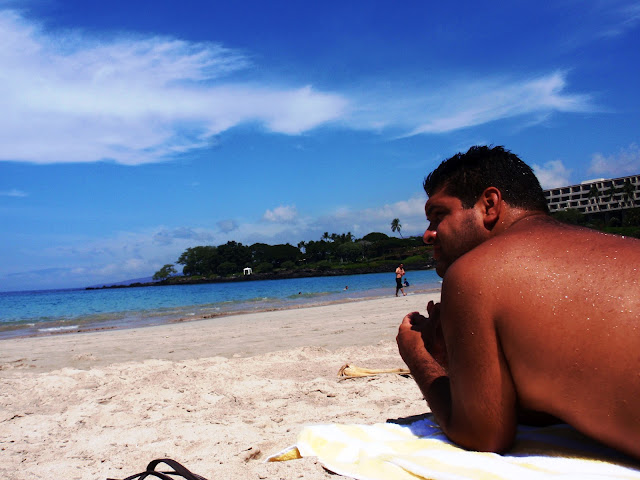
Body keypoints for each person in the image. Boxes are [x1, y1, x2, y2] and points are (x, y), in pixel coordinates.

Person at [396, 145, 640, 460]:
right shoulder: (614, 249)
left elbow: (483, 435)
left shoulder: (474, 274)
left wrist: (417, 353)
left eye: (438, 216)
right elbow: (563, 399)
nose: (428, 235)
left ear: (489, 204)